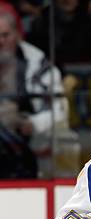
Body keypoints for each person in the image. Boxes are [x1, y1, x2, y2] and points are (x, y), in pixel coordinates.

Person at [0, 9, 68, 177]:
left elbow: (60, 111)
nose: (0, 42)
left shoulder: (38, 64)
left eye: (5, 35)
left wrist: (33, 123)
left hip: (27, 141)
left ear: (17, 35)